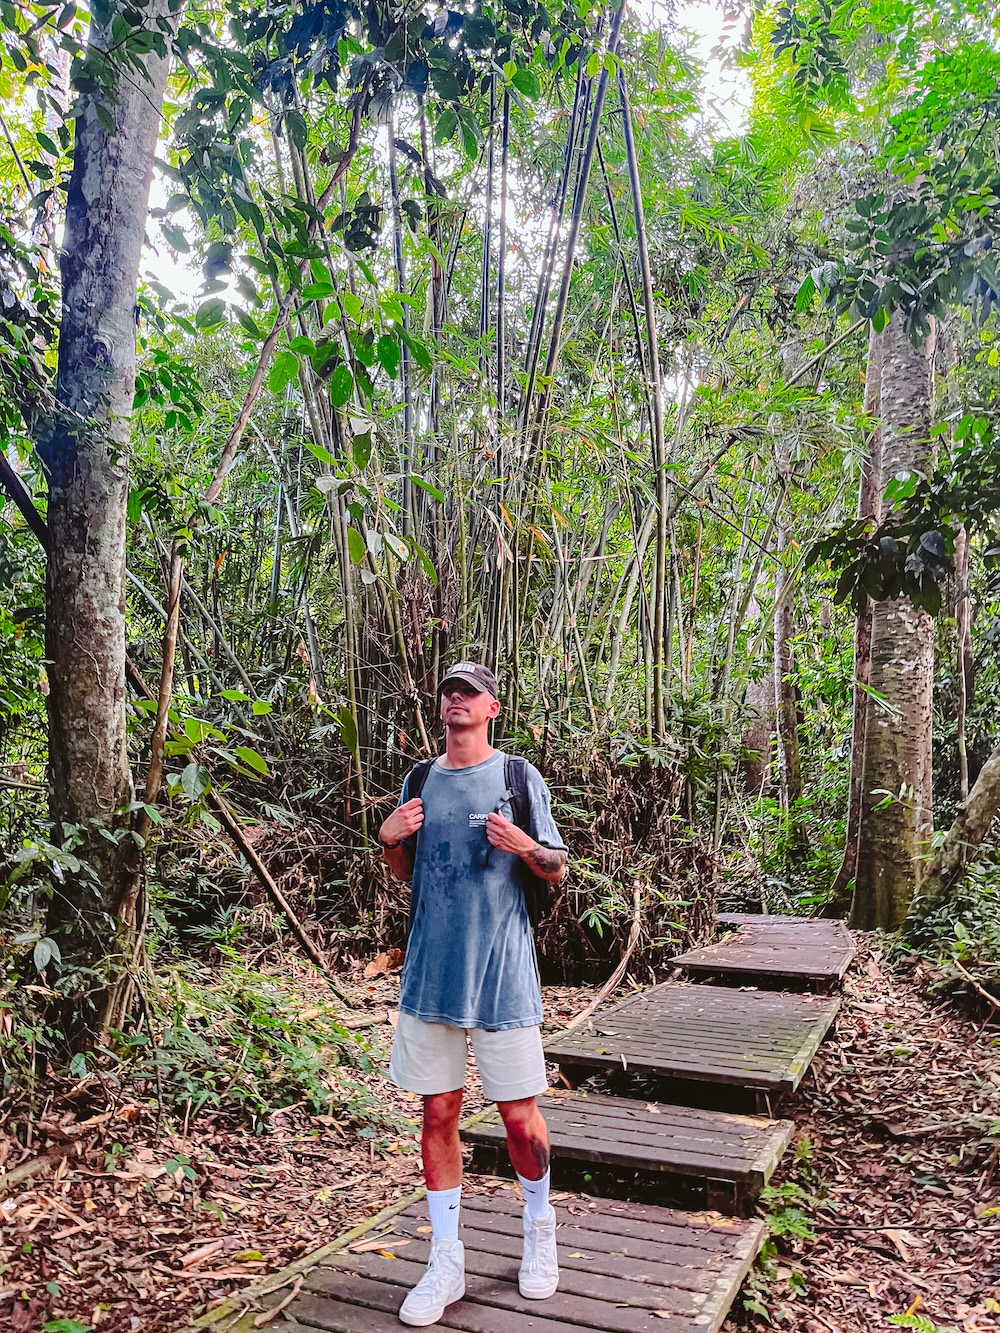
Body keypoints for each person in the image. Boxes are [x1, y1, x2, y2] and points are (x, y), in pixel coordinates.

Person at [378, 661, 568, 1328]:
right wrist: (389, 841)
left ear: (492, 706)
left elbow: (556, 866)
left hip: (503, 971)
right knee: (438, 1112)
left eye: (469, 692)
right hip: (432, 972)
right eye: (447, 692)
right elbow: (411, 877)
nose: (455, 700)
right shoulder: (420, 779)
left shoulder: (519, 778)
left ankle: (540, 1227)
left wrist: (522, 843)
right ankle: (446, 1257)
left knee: (518, 1116)